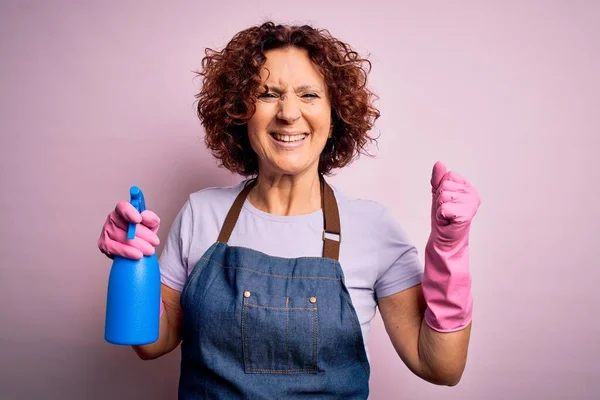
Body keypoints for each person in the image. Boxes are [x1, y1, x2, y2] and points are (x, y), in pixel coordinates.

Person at [97, 21, 481, 399]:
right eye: (267, 94)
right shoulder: (202, 213)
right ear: (240, 112)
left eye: (309, 95)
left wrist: (449, 250)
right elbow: (152, 345)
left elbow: (441, 367)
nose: (288, 113)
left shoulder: (373, 228)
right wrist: (133, 264)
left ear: (335, 118)